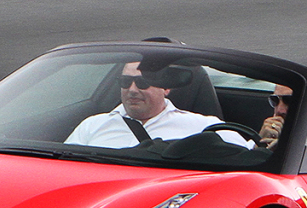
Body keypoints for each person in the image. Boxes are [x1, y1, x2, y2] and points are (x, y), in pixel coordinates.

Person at [66, 62, 252, 148]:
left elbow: (252, 159)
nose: (132, 89)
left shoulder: (204, 127)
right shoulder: (92, 126)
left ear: (166, 88)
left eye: (142, 82)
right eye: (125, 81)